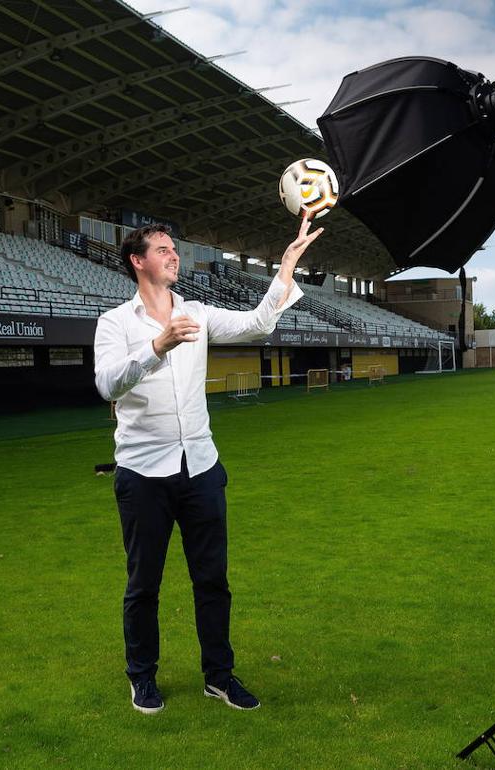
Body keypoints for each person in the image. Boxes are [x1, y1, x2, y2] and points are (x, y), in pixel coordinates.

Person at [94, 217, 323, 714]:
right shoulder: (115, 322)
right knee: (143, 586)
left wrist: (286, 265)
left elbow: (258, 324)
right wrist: (158, 346)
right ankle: (142, 678)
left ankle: (218, 677)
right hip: (142, 475)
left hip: (201, 468)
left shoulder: (196, 312)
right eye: (162, 249)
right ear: (138, 261)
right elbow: (107, 386)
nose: (173, 256)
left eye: (174, 249)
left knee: (213, 581)